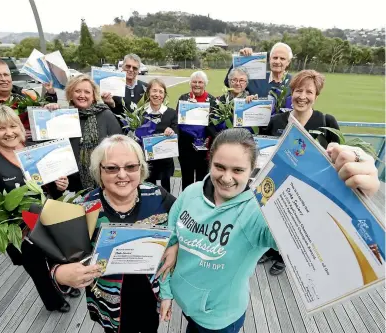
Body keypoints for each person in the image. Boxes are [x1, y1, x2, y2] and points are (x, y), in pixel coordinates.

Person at [158, 128, 381, 333]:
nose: (226, 178)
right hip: (183, 302)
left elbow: (315, 237)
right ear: (210, 162)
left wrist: (350, 199)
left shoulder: (260, 212)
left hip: (218, 319)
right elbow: (171, 236)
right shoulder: (191, 192)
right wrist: (167, 293)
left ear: (253, 168)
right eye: (219, 167)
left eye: (237, 170)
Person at [52, 134, 177, 333]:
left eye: (130, 167)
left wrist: (175, 245)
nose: (122, 174)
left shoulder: (158, 196)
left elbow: (187, 224)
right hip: (108, 300)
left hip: (150, 293)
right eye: (112, 168)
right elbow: (55, 255)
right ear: (99, 171)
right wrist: (59, 273)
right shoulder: (84, 207)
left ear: (140, 168)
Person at [0, 104, 77, 313]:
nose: (9, 133)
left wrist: (60, 185)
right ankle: (53, 301)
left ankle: (63, 283)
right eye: (0, 128)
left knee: (58, 256)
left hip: (49, 219)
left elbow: (50, 187)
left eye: (12, 126)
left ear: (20, 126)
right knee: (37, 268)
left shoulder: (35, 150)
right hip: (21, 231)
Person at [257, 69, 341, 275]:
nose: (302, 96)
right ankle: (269, 250)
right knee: (272, 220)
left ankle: (283, 257)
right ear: (291, 93)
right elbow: (263, 151)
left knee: (296, 224)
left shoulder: (326, 122)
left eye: (309, 92)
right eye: (298, 90)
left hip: (309, 186)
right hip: (277, 182)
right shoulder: (276, 121)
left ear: (316, 96)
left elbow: (337, 156)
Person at [44, 74, 122, 190]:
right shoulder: (62, 116)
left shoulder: (105, 115)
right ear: (70, 94)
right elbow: (51, 150)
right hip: (69, 184)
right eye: (77, 91)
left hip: (102, 182)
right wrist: (49, 112)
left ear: (94, 96)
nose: (82, 95)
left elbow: (119, 148)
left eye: (87, 92)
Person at [0, 58, 58, 146]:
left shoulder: (28, 95)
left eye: (6, 74)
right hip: (6, 154)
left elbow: (45, 115)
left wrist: (51, 104)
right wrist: (10, 136)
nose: (3, 79)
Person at [177, 71, 217, 190]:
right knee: (187, 178)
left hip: (205, 146)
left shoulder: (212, 100)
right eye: (194, 82)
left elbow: (215, 124)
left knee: (202, 178)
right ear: (190, 83)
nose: (197, 84)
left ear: (205, 84)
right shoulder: (183, 98)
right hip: (186, 146)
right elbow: (178, 121)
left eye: (200, 82)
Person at [224, 42, 293, 100]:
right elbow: (228, 83)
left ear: (288, 62)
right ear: (269, 59)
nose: (277, 61)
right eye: (275, 58)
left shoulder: (293, 82)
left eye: (282, 59)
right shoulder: (257, 77)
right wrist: (240, 58)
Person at [144, 78, 178, 193]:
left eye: (160, 92)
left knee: (165, 192)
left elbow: (177, 132)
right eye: (154, 91)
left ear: (164, 95)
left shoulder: (171, 113)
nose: (157, 95)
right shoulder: (140, 113)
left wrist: (172, 131)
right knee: (148, 191)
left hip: (165, 163)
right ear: (148, 92)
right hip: (147, 163)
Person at [101, 53, 148, 127]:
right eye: (128, 66)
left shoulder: (145, 87)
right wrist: (111, 104)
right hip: (117, 130)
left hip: (140, 131)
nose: (131, 70)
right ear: (122, 67)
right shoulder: (111, 86)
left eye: (134, 68)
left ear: (138, 70)